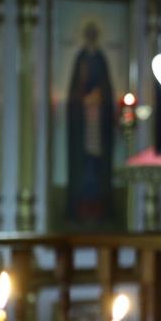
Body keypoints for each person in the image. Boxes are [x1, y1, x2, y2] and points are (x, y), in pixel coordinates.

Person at [66, 21, 116, 224]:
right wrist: (83, 99)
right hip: (83, 120)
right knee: (84, 162)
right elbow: (74, 89)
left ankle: (100, 206)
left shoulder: (101, 58)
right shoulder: (81, 58)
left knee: (97, 163)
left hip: (98, 120)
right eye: (90, 34)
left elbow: (107, 88)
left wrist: (100, 96)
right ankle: (80, 206)